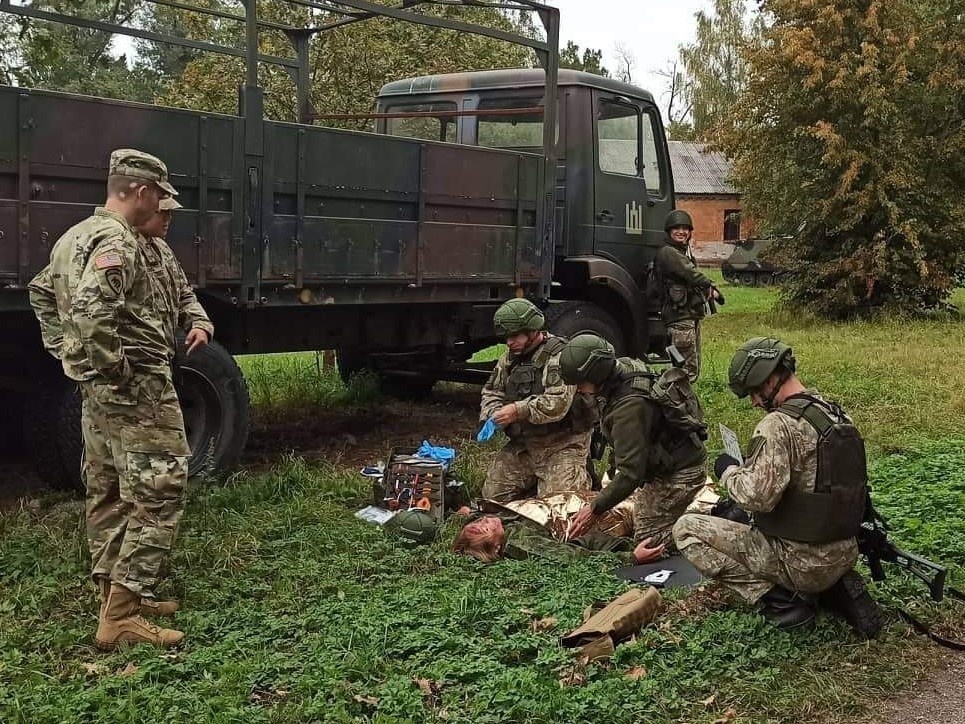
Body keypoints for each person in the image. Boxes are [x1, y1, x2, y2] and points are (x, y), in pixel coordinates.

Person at [28, 149, 213, 650]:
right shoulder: (117, 240)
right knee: (161, 489)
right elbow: (89, 314)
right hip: (136, 387)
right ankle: (123, 616)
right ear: (137, 190)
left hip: (100, 391)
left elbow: (42, 292)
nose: (162, 206)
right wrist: (115, 369)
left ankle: (117, 592)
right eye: (157, 194)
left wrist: (71, 354)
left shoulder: (76, 238)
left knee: (106, 488)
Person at [672, 337, 881, 635]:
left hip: (799, 562)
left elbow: (755, 498)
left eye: (755, 392)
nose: (755, 402)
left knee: (686, 529)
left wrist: (728, 471)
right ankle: (833, 587)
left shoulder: (777, 425)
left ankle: (783, 600)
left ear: (771, 378)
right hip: (844, 551)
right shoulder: (836, 414)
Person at [559, 334, 708, 562]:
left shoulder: (629, 408)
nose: (579, 390)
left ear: (597, 375)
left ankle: (711, 527)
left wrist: (595, 508)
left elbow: (631, 473)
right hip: (666, 461)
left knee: (648, 542)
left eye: (580, 383)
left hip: (680, 472)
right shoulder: (624, 367)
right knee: (641, 519)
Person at [478, 298, 596, 502]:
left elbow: (557, 403)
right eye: (507, 337)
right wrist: (492, 413)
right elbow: (492, 390)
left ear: (533, 331)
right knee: (492, 498)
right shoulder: (510, 358)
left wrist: (516, 410)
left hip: (562, 444)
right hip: (526, 444)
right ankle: (534, 492)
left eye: (515, 336)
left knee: (560, 506)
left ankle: (580, 474)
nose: (509, 342)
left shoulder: (560, 357)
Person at [452, 491, 653, 565]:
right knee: (642, 507)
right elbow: (572, 557)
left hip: (565, 500)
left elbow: (475, 523)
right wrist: (631, 558)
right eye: (486, 528)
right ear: (496, 548)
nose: (485, 520)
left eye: (478, 522)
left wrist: (467, 515)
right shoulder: (523, 543)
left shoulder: (499, 527)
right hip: (582, 516)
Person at [653, 209, 722, 382]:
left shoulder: (681, 253)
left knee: (682, 368)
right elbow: (691, 273)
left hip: (687, 317)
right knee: (686, 372)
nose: (681, 232)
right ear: (669, 231)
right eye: (677, 228)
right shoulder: (669, 253)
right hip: (680, 319)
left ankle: (675, 400)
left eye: (685, 228)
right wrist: (710, 285)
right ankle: (678, 403)